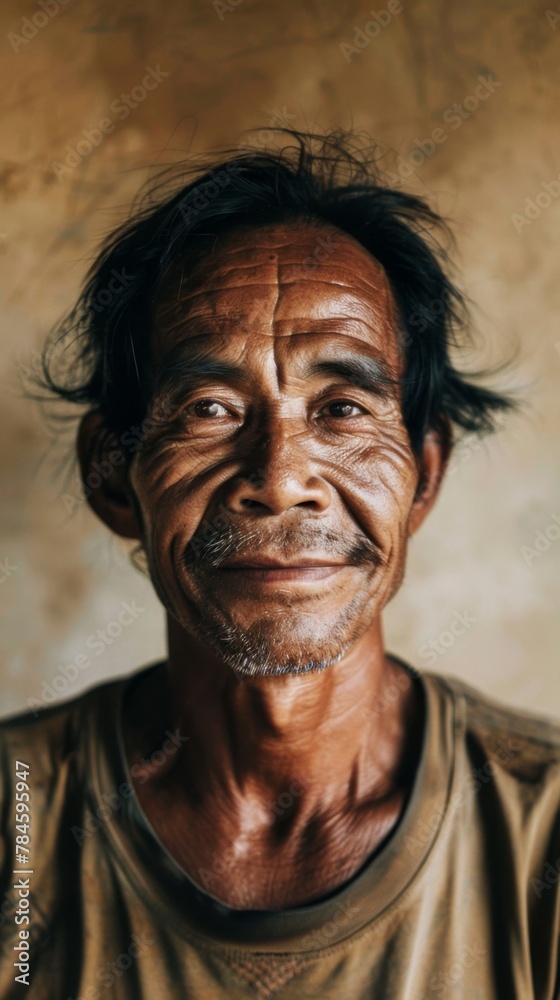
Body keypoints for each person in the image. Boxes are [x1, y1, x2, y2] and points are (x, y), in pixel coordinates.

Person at [1, 129, 559, 999]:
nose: (279, 479)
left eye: (341, 408)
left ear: (424, 479)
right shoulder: (19, 820)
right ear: (114, 476)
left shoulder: (543, 836)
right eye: (211, 408)